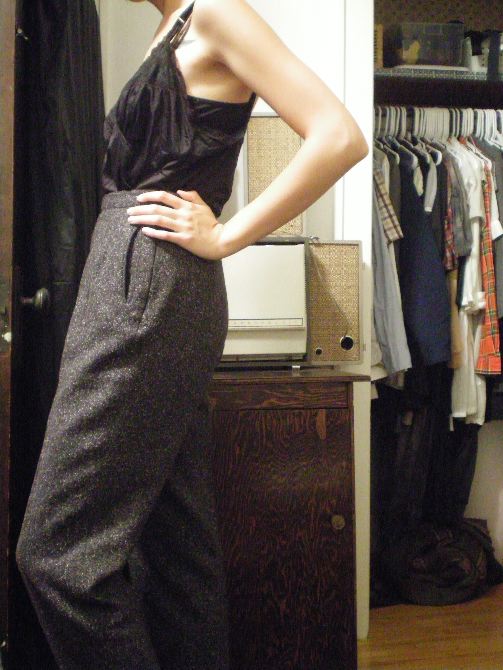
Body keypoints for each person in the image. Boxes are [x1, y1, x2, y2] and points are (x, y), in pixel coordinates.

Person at [16, 1, 368, 668]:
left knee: (59, 556)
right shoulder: (174, 23)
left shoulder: (215, 11)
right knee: (174, 547)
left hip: (147, 282)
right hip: (139, 279)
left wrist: (227, 235)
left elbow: (338, 135)